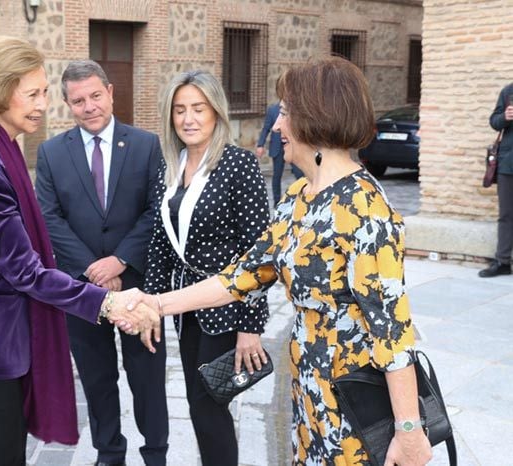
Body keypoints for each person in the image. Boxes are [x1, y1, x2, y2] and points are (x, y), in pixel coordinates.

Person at [124, 57, 433, 466]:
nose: (275, 126)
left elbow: (393, 334)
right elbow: (242, 275)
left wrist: (409, 431)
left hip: (354, 405)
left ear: (315, 118)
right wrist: (156, 304)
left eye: (285, 113)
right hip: (308, 393)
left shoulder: (364, 209)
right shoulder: (300, 197)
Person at [0, 36, 160, 465]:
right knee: (2, 452)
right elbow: (24, 271)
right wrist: (108, 302)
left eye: (44, 92)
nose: (45, 104)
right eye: (33, 93)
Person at [35, 60, 168, 466]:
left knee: (146, 379)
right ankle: (109, 454)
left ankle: (155, 454)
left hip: (138, 286)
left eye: (95, 96)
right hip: (82, 290)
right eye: (78, 100)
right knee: (97, 379)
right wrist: (94, 269)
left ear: (110, 92)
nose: (89, 106)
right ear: (66, 104)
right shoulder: (52, 152)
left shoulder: (146, 145)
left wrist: (120, 261)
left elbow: (156, 209)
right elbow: (49, 217)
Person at [143, 70, 270, 466]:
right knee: (201, 405)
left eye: (198, 108)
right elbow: (162, 243)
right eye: (180, 110)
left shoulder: (239, 165)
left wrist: (252, 326)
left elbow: (259, 255)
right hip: (186, 311)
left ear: (216, 112)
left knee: (208, 405)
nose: (188, 119)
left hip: (227, 311)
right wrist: (150, 302)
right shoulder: (171, 165)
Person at [479, 82, 513, 278]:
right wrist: (505, 118)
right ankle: (502, 261)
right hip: (508, 164)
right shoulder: (508, 91)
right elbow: (494, 121)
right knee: (506, 214)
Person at [256, 77, 303, 205]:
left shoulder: (296, 108)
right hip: (277, 149)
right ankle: (277, 202)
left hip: (292, 148)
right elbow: (266, 129)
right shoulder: (272, 110)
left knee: (299, 174)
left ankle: (302, 198)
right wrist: (260, 145)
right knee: (277, 176)